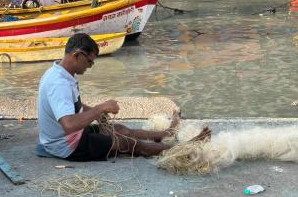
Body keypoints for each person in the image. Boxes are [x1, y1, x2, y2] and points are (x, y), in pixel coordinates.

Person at [38, 33, 211, 161]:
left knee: (121, 129)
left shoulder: (63, 74)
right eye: (89, 62)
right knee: (126, 143)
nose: (90, 67)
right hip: (67, 146)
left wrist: (99, 115)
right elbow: (68, 125)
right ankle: (182, 149)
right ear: (76, 55)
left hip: (70, 136)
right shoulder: (58, 83)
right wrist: (101, 108)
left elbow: (75, 106)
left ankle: (166, 133)